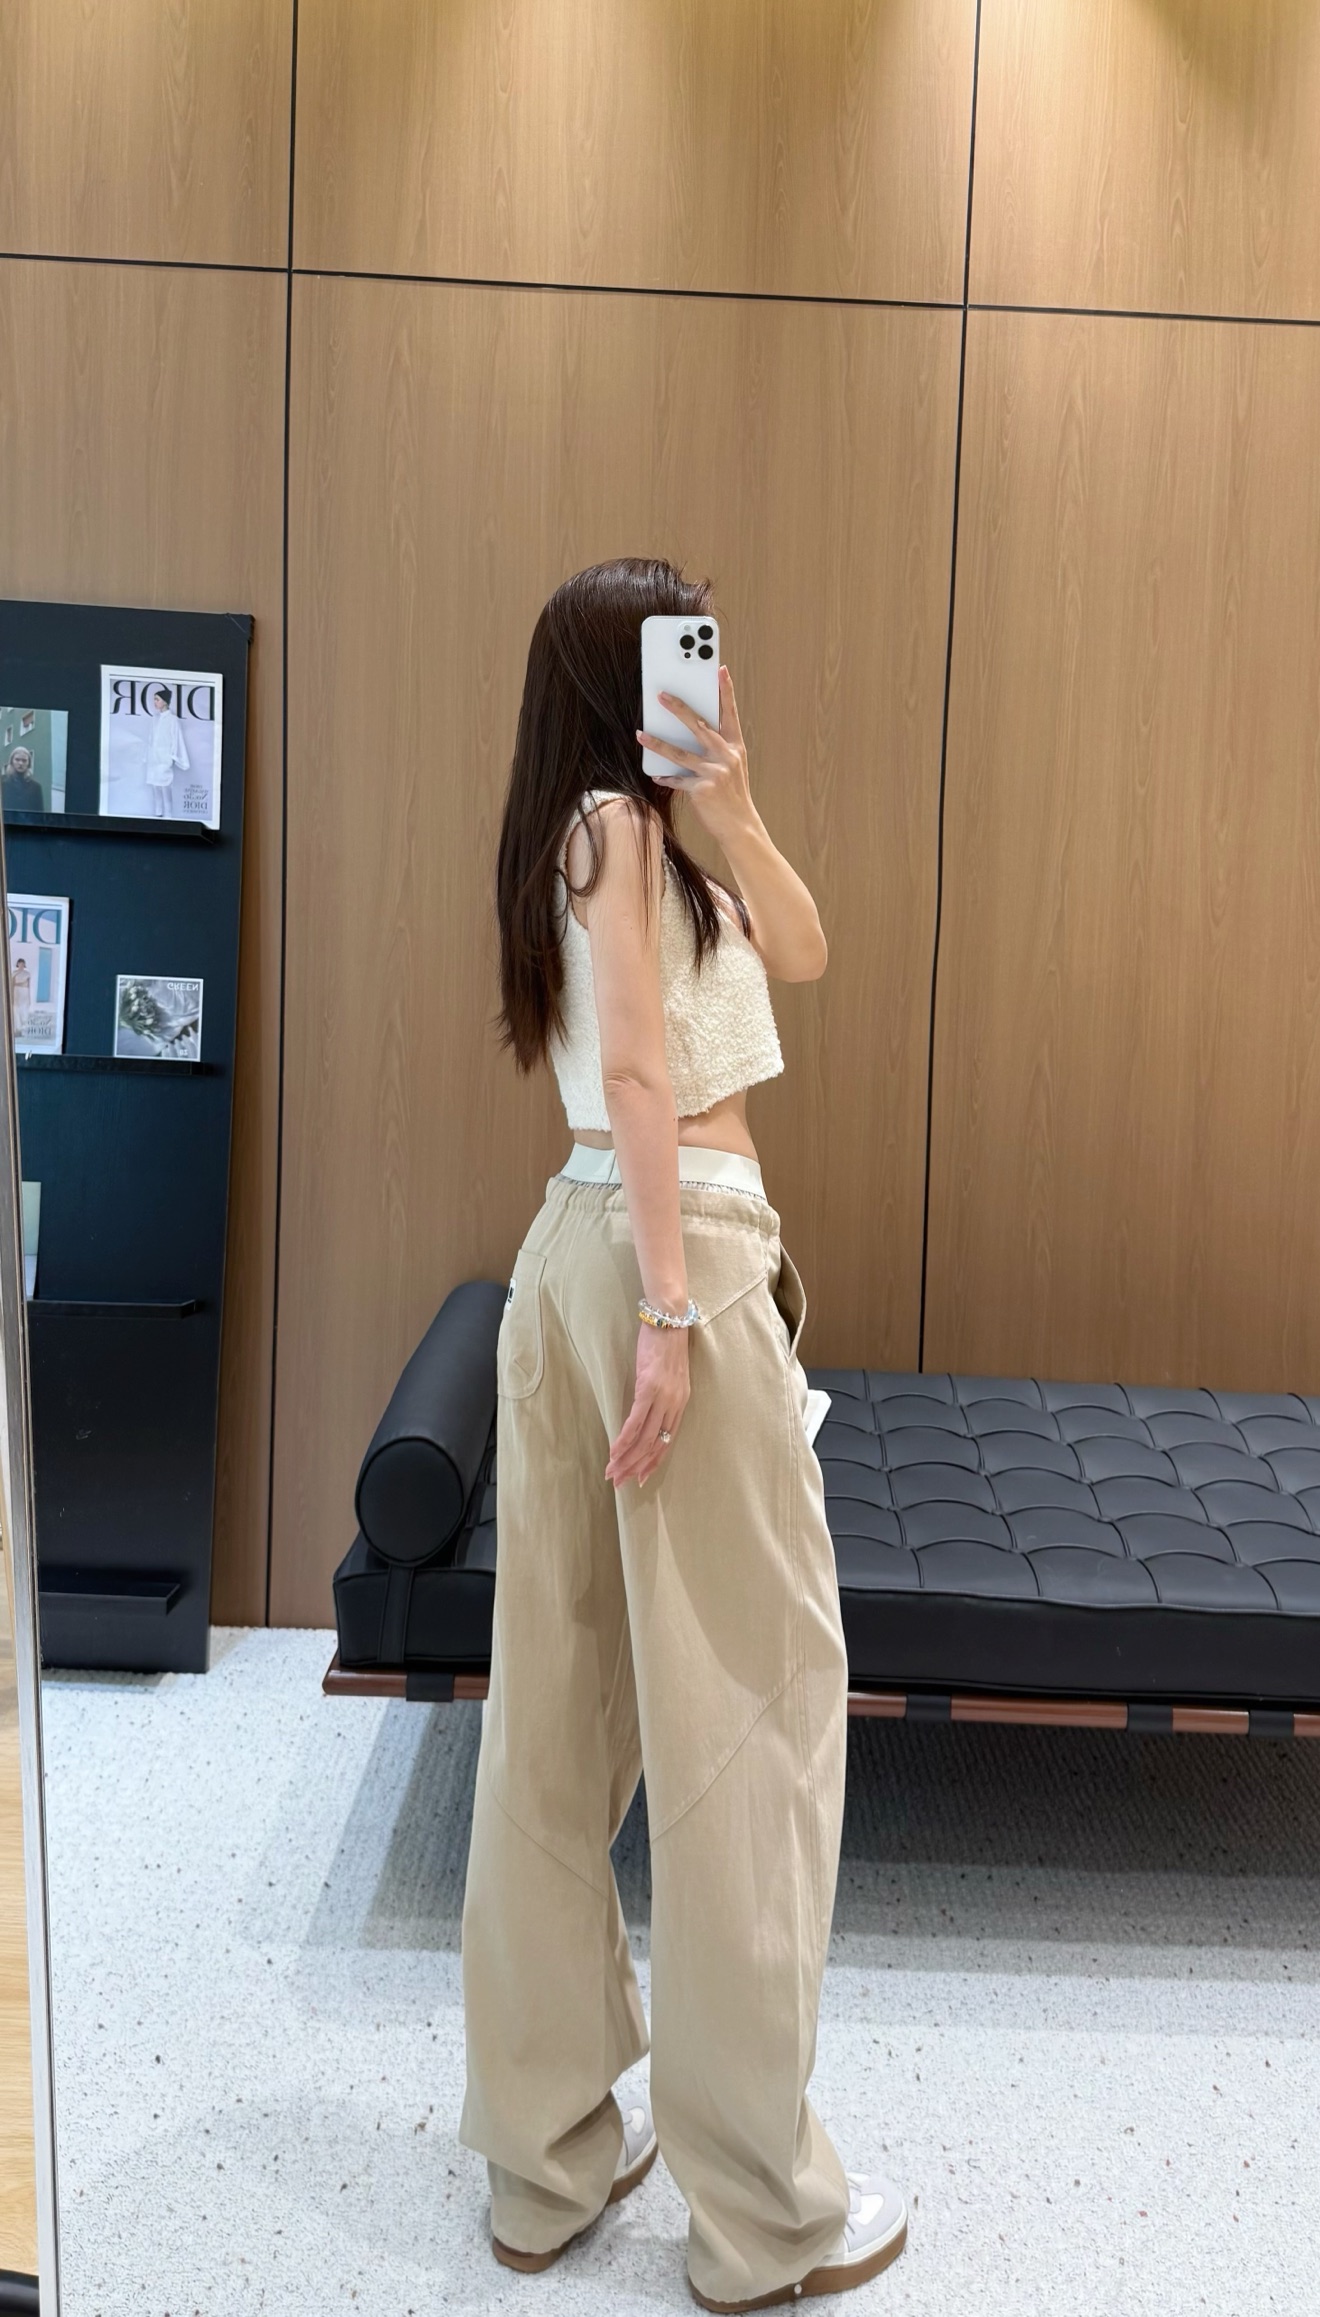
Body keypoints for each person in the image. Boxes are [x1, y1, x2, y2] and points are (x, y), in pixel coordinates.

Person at [460, 558, 908, 2311]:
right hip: (674, 1257)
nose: (705, 671)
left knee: (559, 1714)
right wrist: (670, 1311)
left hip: (573, 1248)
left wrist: (737, 800)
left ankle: (544, 2160)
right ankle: (763, 2217)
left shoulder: (609, 830)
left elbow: (806, 948)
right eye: (676, 646)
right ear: (613, 674)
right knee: (750, 1723)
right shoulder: (621, 834)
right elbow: (644, 1073)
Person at [144, 684, 188, 817]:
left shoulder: (173, 720)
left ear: (165, 701)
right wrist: (147, 755)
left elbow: (177, 738)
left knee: (165, 787)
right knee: (155, 787)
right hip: (154, 758)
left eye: (157, 699)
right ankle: (158, 814)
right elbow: (151, 738)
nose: (154, 702)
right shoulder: (155, 719)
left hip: (164, 758)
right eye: (154, 699)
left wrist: (173, 756)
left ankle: (169, 816)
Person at [2, 745, 46, 813]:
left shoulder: (36, 788)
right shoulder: (2, 784)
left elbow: (40, 814)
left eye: (24, 760)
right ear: (11, 762)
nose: (20, 763)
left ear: (29, 763)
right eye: (17, 760)